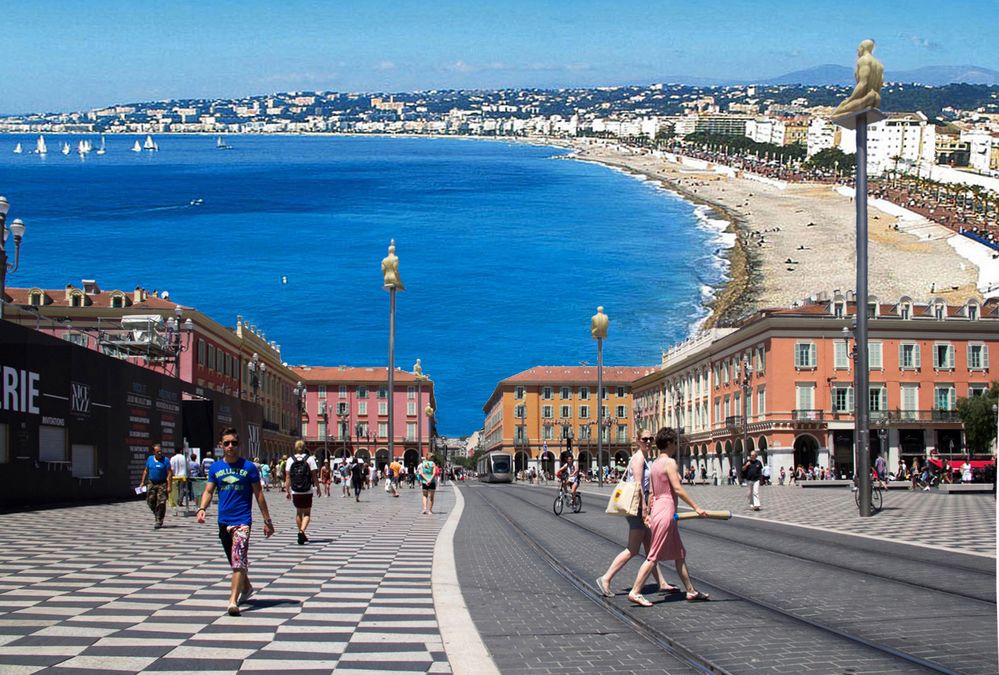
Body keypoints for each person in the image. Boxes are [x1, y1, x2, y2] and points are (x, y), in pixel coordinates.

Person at [627, 427, 709, 607]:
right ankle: (635, 591)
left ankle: (690, 590)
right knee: (653, 555)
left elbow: (652, 493)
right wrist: (697, 508)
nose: (676, 447)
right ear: (670, 443)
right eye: (675, 443)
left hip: (658, 508)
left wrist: (648, 512)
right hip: (666, 510)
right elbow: (678, 489)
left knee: (679, 553)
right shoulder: (670, 463)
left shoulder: (655, 463)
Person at [197, 427, 274, 616]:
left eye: (234, 443)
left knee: (238, 560)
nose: (230, 446)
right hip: (223, 521)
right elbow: (208, 491)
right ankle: (246, 588)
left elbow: (259, 494)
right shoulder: (216, 468)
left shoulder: (248, 467)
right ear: (221, 446)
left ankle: (233, 600)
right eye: (227, 443)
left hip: (242, 521)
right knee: (234, 561)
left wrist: (267, 520)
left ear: (239, 445)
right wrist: (201, 509)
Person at [596, 429, 676, 598]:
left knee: (650, 549)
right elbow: (638, 486)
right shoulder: (639, 458)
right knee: (632, 550)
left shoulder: (644, 457)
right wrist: (646, 509)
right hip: (638, 508)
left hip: (641, 506)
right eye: (645, 439)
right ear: (638, 440)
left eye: (650, 438)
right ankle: (605, 578)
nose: (648, 441)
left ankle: (661, 582)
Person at [284, 441, 321, 545]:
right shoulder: (310, 459)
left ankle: (301, 533)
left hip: (295, 490)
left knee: (299, 512)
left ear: (295, 448)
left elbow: (287, 477)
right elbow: (314, 475)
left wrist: (287, 490)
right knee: (307, 513)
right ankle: (301, 532)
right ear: (305, 448)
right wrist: (318, 487)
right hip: (307, 489)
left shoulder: (290, 459)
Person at [138, 444, 172, 529]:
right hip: (151, 482)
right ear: (154, 452)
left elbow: (169, 473)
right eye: (157, 452)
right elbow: (146, 470)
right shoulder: (150, 459)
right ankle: (157, 513)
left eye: (160, 451)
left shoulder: (166, 460)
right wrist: (142, 482)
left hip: (162, 483)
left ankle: (159, 520)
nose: (160, 453)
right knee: (150, 501)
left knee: (161, 502)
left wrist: (169, 486)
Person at [169, 447, 189, 515]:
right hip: (183, 475)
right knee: (182, 488)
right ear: (181, 451)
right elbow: (188, 467)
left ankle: (175, 501)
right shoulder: (184, 457)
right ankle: (180, 501)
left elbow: (171, 468)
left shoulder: (172, 458)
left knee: (175, 489)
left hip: (175, 476)